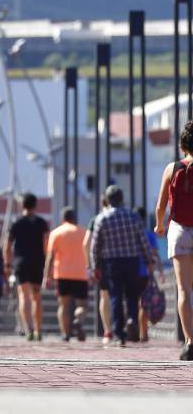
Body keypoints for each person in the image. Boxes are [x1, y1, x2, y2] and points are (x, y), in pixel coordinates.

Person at [90, 185, 153, 347]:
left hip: (111, 263)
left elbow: (95, 246)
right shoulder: (133, 216)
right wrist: (148, 260)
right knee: (132, 295)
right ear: (122, 199)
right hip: (131, 260)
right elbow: (143, 241)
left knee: (115, 297)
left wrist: (95, 266)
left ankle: (119, 334)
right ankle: (131, 319)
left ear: (107, 200)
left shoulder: (102, 219)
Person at [154, 120, 193, 359]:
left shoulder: (172, 168)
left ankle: (190, 342)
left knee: (183, 289)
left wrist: (160, 225)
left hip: (179, 230)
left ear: (182, 145)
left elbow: (160, 206)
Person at [5, 192, 49, 341]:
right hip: (37, 262)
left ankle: (28, 329)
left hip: (21, 263)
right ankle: (38, 330)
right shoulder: (41, 223)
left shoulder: (16, 223)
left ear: (22, 205)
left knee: (23, 296)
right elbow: (46, 245)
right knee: (37, 297)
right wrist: (46, 264)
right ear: (35, 205)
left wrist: (7, 264)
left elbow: (7, 245)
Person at [43, 207, 88, 342]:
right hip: (80, 273)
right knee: (82, 305)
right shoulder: (84, 232)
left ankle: (65, 334)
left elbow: (50, 257)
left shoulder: (56, 233)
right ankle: (78, 320)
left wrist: (47, 276)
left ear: (63, 219)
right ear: (75, 218)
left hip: (62, 274)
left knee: (63, 305)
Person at [84, 194, 113, 344]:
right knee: (121, 295)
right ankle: (121, 327)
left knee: (104, 296)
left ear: (102, 203)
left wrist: (89, 265)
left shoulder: (96, 219)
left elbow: (86, 243)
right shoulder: (122, 216)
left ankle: (108, 330)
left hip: (103, 263)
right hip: (123, 260)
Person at [134, 207, 164, 342]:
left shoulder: (131, 234)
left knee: (133, 302)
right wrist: (160, 272)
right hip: (145, 273)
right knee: (143, 304)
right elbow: (155, 256)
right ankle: (143, 333)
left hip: (130, 271)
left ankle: (135, 330)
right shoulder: (149, 235)